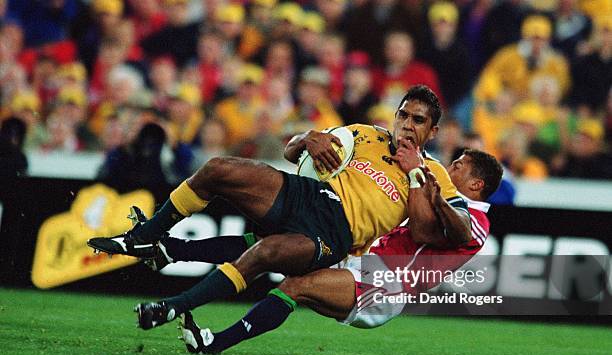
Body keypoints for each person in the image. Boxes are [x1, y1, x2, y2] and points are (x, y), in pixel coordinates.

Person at [88, 85, 469, 330]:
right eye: (402, 114)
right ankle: (145, 238)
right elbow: (291, 153)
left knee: (263, 251)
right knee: (220, 168)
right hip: (308, 194)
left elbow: (461, 231)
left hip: (336, 234)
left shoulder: (434, 171)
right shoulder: (363, 134)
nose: (405, 125)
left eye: (417, 121)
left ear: (432, 132)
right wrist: (306, 138)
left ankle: (171, 307)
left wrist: (418, 176)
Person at [174, 148, 503, 354]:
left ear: (476, 184)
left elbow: (430, 230)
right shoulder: (438, 195)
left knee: (296, 287)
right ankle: (174, 250)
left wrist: (419, 180)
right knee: (274, 243)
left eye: (459, 165)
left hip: (388, 286)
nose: (451, 167)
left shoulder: (476, 221)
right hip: (364, 262)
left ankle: (213, 343)